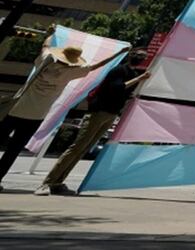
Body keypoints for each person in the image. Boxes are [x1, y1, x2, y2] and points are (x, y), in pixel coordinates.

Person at [0, 37, 126, 191]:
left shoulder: (44, 61)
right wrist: (118, 53)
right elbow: (95, 66)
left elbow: (45, 45)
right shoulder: (70, 73)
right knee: (13, 150)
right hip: (36, 116)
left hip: (16, 110)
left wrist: (51, 34)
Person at [35, 47, 149, 196]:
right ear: (132, 56)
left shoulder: (132, 73)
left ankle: (58, 182)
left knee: (83, 149)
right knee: (77, 147)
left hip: (111, 114)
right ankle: (47, 183)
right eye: (139, 55)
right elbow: (117, 87)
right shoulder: (119, 70)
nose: (141, 58)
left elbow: (124, 93)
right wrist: (140, 79)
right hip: (99, 112)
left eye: (143, 56)